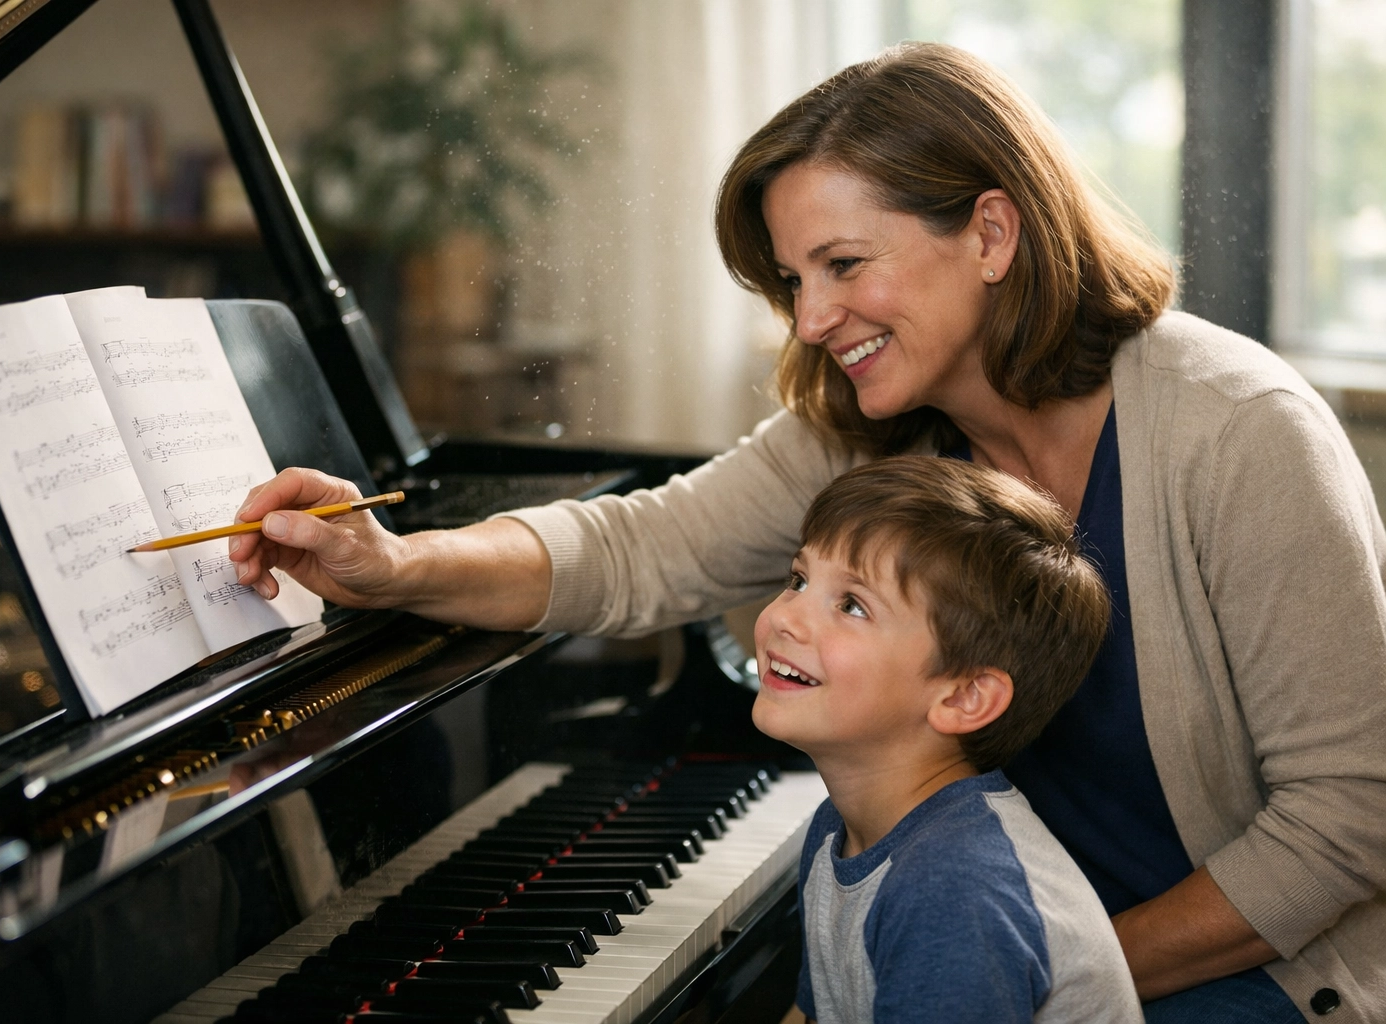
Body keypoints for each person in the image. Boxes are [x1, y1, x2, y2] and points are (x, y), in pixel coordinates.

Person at [228, 43, 1386, 1022]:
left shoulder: (1238, 429)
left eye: (844, 264)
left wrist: (1033, 979)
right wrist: (392, 561)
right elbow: (642, 549)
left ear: (992, 232)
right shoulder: (870, 427)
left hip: (1251, 979)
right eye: (792, 280)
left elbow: (1349, 819)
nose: (815, 319)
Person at [753, 456, 1137, 1023]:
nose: (787, 618)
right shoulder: (841, 825)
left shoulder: (954, 889)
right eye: (798, 580)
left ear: (964, 697)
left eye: (851, 605)